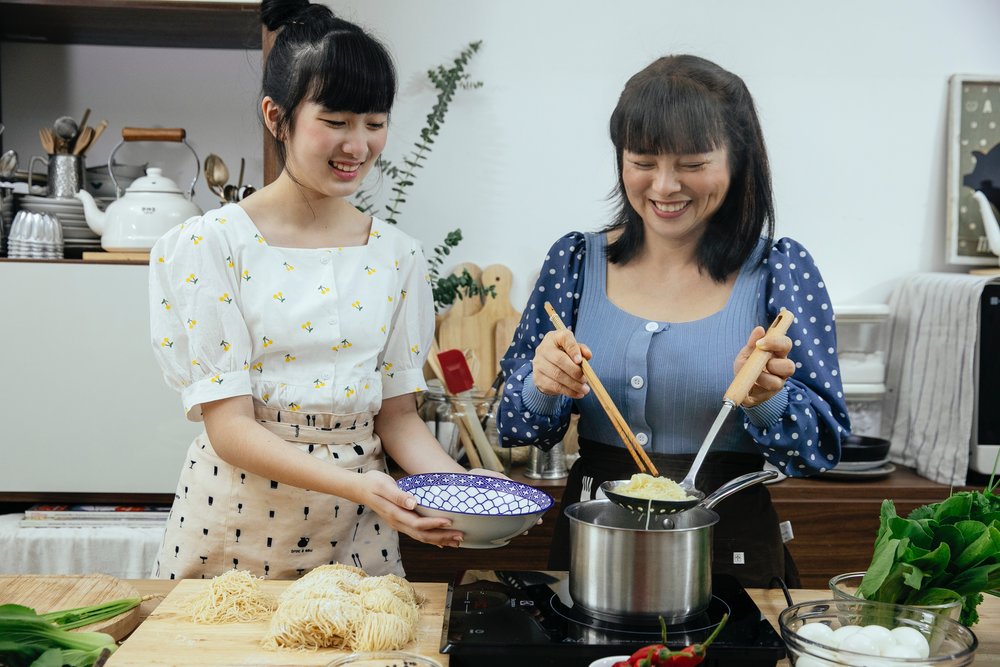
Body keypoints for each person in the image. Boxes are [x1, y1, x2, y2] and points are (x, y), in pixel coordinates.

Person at [148, 0, 483, 580]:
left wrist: (463, 494)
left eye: (374, 123)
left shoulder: (397, 256)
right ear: (277, 116)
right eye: (335, 121)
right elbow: (229, 428)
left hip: (359, 526)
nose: (358, 145)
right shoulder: (209, 245)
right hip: (234, 524)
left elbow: (398, 418)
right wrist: (363, 484)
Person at [497, 54, 850, 588]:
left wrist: (767, 398)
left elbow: (820, 450)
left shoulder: (780, 270)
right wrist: (543, 386)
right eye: (643, 161)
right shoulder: (574, 261)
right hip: (596, 550)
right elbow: (514, 425)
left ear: (738, 160)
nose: (664, 186)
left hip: (730, 557)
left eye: (692, 163)